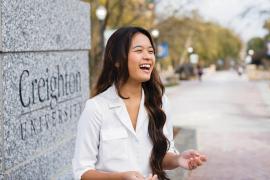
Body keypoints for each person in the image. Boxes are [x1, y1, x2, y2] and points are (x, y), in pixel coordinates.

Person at [72, 27, 207, 180]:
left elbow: (160, 156)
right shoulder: (96, 108)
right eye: (139, 50)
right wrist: (121, 178)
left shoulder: (160, 103)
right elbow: (82, 172)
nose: (148, 57)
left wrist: (178, 159)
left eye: (150, 51)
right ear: (117, 60)